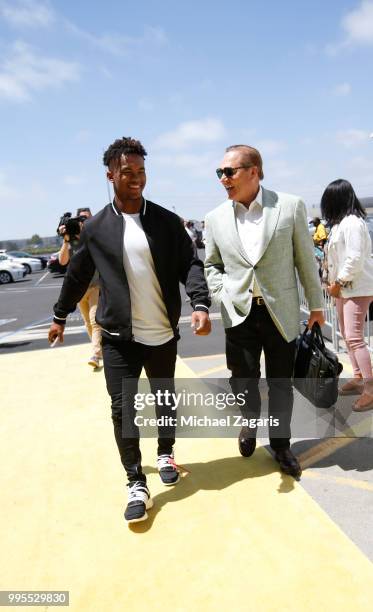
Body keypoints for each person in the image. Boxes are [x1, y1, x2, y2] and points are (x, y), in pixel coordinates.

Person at [48, 137, 211, 523]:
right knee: (123, 410)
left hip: (161, 333)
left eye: (141, 171)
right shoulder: (98, 228)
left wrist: (200, 303)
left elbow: (190, 264)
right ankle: (136, 482)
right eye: (127, 173)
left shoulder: (166, 222)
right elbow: (77, 274)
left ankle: (166, 453)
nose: (136, 178)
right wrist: (59, 315)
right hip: (119, 338)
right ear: (110, 176)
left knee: (164, 398)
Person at [204, 144, 324, 479]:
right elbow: (211, 264)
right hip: (238, 311)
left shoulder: (289, 206)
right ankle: (249, 422)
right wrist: (220, 294)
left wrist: (316, 305)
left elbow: (304, 259)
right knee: (242, 379)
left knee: (281, 383)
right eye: (220, 173)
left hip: (279, 311)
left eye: (229, 172)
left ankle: (282, 445)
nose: (223, 179)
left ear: (254, 171)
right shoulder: (215, 218)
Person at [321, 179, 373, 411]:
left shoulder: (352, 223)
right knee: (346, 334)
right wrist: (333, 284)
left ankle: (370, 389)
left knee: (353, 337)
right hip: (344, 288)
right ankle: (360, 377)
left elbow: (354, 258)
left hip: (355, 287)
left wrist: (338, 283)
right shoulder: (341, 224)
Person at [58, 208, 102, 369]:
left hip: (96, 286)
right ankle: (99, 349)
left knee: (95, 320)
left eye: (88, 219)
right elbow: (62, 261)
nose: (84, 222)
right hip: (79, 290)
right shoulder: (72, 240)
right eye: (82, 219)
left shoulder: (94, 235)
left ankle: (95, 354)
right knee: (87, 323)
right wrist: (65, 239)